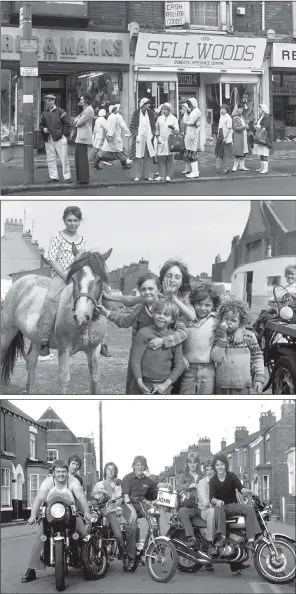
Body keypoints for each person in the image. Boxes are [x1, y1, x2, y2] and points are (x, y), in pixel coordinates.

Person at [98, 272, 188, 394]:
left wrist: (163, 341)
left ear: (159, 289)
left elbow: (182, 332)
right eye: (143, 289)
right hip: (139, 356)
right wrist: (107, 313)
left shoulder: (166, 309)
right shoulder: (139, 308)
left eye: (151, 288)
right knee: (134, 389)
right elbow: (125, 322)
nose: (147, 292)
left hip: (161, 357)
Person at [21, 459, 91, 583]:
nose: (61, 474)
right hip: (51, 514)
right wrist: (32, 515)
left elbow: (81, 497)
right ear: (53, 472)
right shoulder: (48, 482)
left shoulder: (73, 481)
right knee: (40, 537)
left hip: (70, 514)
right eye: (58, 472)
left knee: (83, 533)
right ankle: (31, 569)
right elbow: (38, 499)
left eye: (63, 471)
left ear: (67, 472)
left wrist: (86, 512)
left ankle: (87, 562)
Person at [39, 206, 87, 360]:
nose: (72, 223)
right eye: (69, 220)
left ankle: (101, 339)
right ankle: (44, 339)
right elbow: (51, 259)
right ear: (64, 221)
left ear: (80, 222)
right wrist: (65, 276)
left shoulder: (83, 240)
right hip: (62, 276)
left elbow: (84, 261)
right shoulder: (57, 237)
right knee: (51, 298)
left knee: (93, 296)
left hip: (78, 277)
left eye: (75, 220)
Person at [121, 455, 171, 570]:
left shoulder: (146, 480)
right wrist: (132, 511)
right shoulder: (127, 478)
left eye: (142, 465)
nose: (140, 467)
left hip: (142, 504)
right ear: (134, 466)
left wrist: (166, 485)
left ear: (145, 467)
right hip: (129, 505)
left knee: (155, 517)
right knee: (132, 528)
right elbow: (125, 496)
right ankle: (131, 557)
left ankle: (152, 546)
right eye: (137, 465)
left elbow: (156, 485)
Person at [130, 297, 184, 395]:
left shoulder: (174, 338)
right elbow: (135, 360)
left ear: (172, 320)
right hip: (143, 383)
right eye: (158, 313)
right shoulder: (144, 333)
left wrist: (165, 385)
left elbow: (179, 365)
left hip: (164, 386)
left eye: (166, 315)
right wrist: (140, 382)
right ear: (153, 314)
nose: (161, 317)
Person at [209, 454, 262, 553]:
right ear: (214, 467)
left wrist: (247, 491)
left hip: (233, 505)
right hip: (221, 508)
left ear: (225, 465)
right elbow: (211, 498)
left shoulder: (231, 476)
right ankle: (222, 537)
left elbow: (240, 488)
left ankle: (250, 541)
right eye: (217, 465)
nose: (220, 467)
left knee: (250, 509)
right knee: (219, 507)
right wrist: (217, 501)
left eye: (222, 464)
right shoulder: (213, 480)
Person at [211, 299, 265, 394]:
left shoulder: (249, 336)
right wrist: (223, 338)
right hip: (221, 385)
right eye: (226, 318)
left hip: (243, 385)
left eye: (233, 320)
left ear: (241, 322)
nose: (228, 322)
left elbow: (258, 358)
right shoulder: (218, 335)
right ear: (221, 318)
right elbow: (216, 358)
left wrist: (259, 379)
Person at [179, 283, 221, 395]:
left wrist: (240, 329)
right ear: (193, 304)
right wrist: (181, 356)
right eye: (199, 304)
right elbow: (176, 341)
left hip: (208, 368)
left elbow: (234, 323)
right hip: (187, 368)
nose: (203, 308)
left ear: (213, 305)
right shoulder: (184, 319)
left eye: (207, 305)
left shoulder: (216, 320)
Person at [91, 462, 125, 558]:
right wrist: (94, 500)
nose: (110, 471)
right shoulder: (99, 484)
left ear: (115, 472)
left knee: (118, 535)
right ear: (105, 471)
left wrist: (114, 500)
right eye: (108, 469)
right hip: (99, 511)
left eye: (113, 469)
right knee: (89, 528)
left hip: (110, 511)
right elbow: (93, 496)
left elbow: (119, 499)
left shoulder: (117, 485)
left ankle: (122, 551)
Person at [40, 94, 71, 183]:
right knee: (50, 158)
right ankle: (54, 177)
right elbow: (41, 124)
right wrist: (43, 128)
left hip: (59, 138)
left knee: (64, 157)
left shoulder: (60, 111)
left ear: (54, 101)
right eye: (48, 101)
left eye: (51, 100)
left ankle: (67, 176)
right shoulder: (44, 113)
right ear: (46, 102)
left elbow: (67, 124)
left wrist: (63, 134)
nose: (49, 102)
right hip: (49, 138)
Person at [176, 452, 203, 548]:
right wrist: (188, 486)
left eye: (194, 462)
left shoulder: (202, 475)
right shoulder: (183, 475)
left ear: (198, 463)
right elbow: (177, 487)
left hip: (203, 506)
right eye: (190, 462)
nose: (192, 465)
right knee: (182, 511)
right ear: (187, 463)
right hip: (191, 506)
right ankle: (192, 538)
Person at [94, 104, 131, 170]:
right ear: (116, 109)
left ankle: (96, 163)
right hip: (114, 136)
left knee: (118, 149)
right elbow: (114, 126)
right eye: (120, 108)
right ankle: (124, 165)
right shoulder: (115, 117)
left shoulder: (113, 116)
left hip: (113, 136)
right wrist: (110, 135)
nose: (121, 110)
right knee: (117, 150)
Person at [130, 98, 156, 182]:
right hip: (139, 138)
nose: (149, 105)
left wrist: (152, 133)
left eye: (149, 104)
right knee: (137, 156)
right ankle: (136, 175)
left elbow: (153, 126)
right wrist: (136, 135)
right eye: (147, 104)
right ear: (143, 104)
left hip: (148, 138)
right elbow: (132, 126)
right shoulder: (136, 113)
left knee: (148, 156)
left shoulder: (151, 113)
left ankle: (148, 175)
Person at [73, 93, 94, 185]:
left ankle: (83, 178)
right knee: (78, 158)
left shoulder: (88, 110)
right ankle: (80, 178)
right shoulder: (85, 110)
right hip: (81, 136)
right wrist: (76, 121)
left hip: (83, 136)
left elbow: (78, 122)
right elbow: (76, 120)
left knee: (82, 159)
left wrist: (76, 121)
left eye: (82, 99)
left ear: (86, 100)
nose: (80, 101)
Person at [155, 103, 179, 182]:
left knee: (169, 158)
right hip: (161, 140)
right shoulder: (159, 118)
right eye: (163, 110)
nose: (164, 111)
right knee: (161, 158)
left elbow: (177, 130)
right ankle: (161, 175)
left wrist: (173, 128)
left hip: (170, 140)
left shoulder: (173, 119)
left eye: (166, 110)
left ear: (169, 110)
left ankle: (168, 175)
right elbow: (157, 128)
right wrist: (158, 137)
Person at [197, 461, 216, 558]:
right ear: (204, 471)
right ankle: (210, 543)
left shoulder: (217, 481)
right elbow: (205, 503)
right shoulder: (202, 483)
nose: (209, 472)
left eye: (211, 469)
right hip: (204, 510)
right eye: (207, 470)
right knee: (212, 513)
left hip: (216, 508)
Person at [182, 97, 201, 179]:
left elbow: (191, 122)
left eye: (189, 104)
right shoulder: (194, 111)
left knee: (192, 153)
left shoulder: (196, 111)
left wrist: (186, 123)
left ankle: (195, 172)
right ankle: (194, 171)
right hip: (190, 133)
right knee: (190, 152)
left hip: (193, 134)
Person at [253, 104, 273, 174]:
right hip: (260, 136)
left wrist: (258, 126)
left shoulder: (267, 117)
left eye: (261, 108)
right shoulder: (261, 117)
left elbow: (265, 126)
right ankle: (262, 167)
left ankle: (265, 168)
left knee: (265, 153)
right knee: (261, 152)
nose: (260, 110)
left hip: (265, 137)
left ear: (263, 109)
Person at [215, 105, 233, 174]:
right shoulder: (221, 117)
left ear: (226, 110)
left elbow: (228, 129)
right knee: (221, 153)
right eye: (221, 109)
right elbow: (220, 128)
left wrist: (225, 138)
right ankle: (224, 167)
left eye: (223, 109)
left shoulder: (228, 118)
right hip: (220, 136)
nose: (221, 110)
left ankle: (226, 168)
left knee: (225, 153)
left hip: (225, 138)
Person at [232, 105, 249, 172]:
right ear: (237, 109)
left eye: (242, 109)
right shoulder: (235, 118)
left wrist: (246, 127)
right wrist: (244, 127)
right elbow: (235, 128)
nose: (241, 110)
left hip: (244, 136)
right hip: (238, 136)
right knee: (237, 152)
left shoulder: (242, 117)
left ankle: (242, 166)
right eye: (240, 109)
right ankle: (235, 166)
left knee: (243, 152)